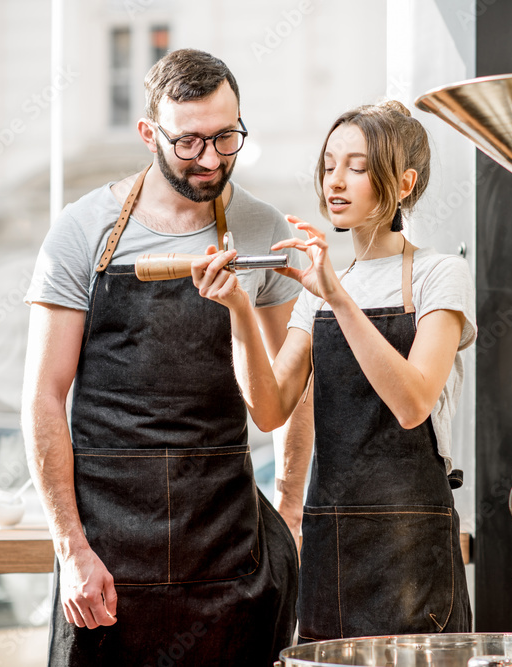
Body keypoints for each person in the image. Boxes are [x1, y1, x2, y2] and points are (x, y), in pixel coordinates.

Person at [21, 48, 307, 666]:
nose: (210, 160)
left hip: (230, 551)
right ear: (150, 133)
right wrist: (72, 550)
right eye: (190, 143)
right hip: (108, 557)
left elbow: (289, 389)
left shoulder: (259, 230)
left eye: (226, 138)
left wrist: (288, 513)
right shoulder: (82, 231)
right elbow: (44, 395)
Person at [191, 100, 475, 641]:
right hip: (330, 541)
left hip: (411, 540)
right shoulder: (319, 287)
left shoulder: (441, 275)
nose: (335, 182)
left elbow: (413, 403)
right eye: (328, 165)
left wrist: (338, 297)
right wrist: (240, 313)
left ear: (404, 182)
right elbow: (270, 408)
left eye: (358, 167)